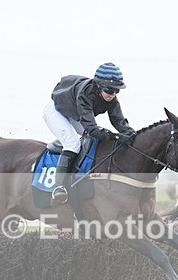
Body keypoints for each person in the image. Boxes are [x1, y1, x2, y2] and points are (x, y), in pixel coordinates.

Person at [43, 62, 137, 204]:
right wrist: (117, 137)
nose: (113, 94)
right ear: (98, 85)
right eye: (109, 90)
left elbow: (118, 121)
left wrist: (133, 135)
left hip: (75, 113)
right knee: (73, 144)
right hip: (56, 111)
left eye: (117, 91)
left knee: (93, 142)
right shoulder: (85, 93)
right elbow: (92, 129)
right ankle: (59, 187)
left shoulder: (111, 99)